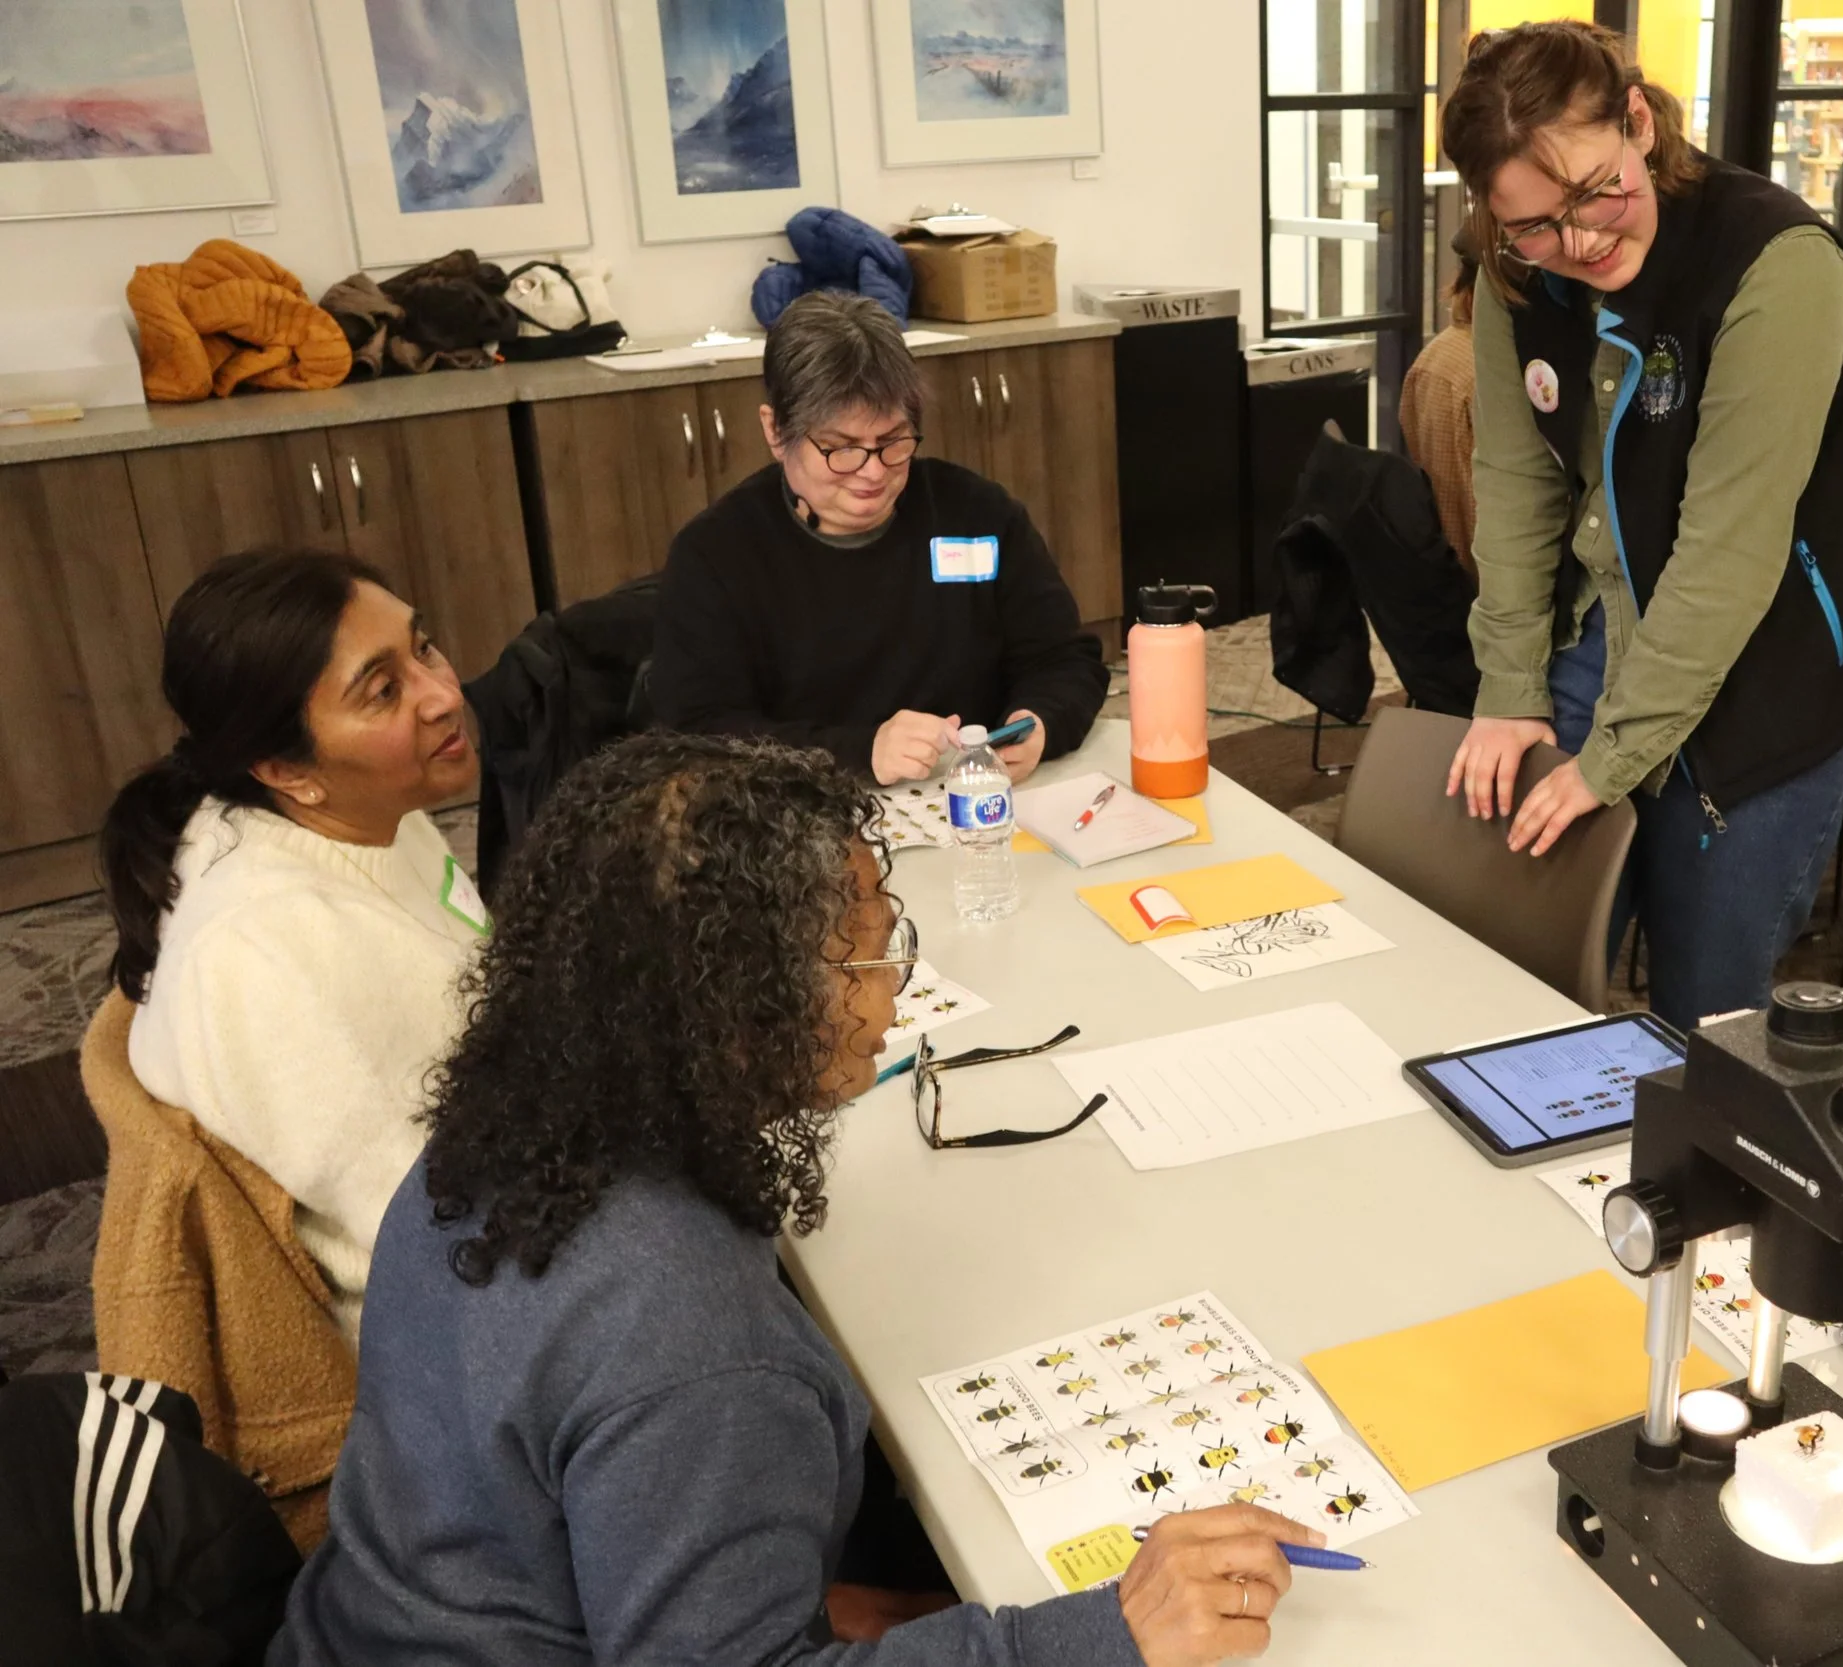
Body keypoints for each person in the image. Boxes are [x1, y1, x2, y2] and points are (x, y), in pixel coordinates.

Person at [272, 731, 1317, 1666]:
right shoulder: (693, 1340)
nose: (894, 986)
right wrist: (1102, 1634)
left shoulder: (507, 1130)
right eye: (863, 954)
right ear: (737, 1007)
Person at [1438, 20, 1843, 1032]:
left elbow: (1726, 552)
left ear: (1637, 121)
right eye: (1537, 224)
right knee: (1521, 989)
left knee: (1704, 1021)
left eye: (1596, 191)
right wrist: (1511, 689)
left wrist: (1614, 757)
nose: (1581, 241)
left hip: (1767, 680)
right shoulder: (1512, 261)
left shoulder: (1774, 264)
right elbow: (1514, 486)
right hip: (1599, 634)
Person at [101, 550, 487, 1348]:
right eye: (384, 690)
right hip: (456, 1335)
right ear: (284, 768)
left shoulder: (379, 810)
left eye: (424, 648)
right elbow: (452, 1238)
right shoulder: (264, 956)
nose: (444, 693)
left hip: (516, 1179)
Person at [648, 291, 1109, 787]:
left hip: (976, 802)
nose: (871, 473)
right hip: (801, 825)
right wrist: (860, 751)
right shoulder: (718, 554)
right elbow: (698, 737)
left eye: (892, 443)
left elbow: (1065, 659)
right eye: (840, 449)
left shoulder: (977, 513)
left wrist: (1040, 721)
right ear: (776, 432)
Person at [1399, 230, 1486, 578]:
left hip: (1446, 575)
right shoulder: (1483, 374)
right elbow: (1478, 513)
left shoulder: (1434, 355)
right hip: (1482, 584)